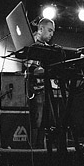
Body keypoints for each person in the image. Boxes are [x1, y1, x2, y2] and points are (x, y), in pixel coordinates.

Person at [27, 18, 55, 147]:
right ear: (41, 29)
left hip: (45, 89)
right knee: (36, 122)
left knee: (45, 122)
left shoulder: (47, 47)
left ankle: (41, 150)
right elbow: (28, 65)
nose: (51, 34)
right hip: (35, 90)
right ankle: (33, 150)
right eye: (49, 30)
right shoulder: (31, 44)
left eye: (53, 31)